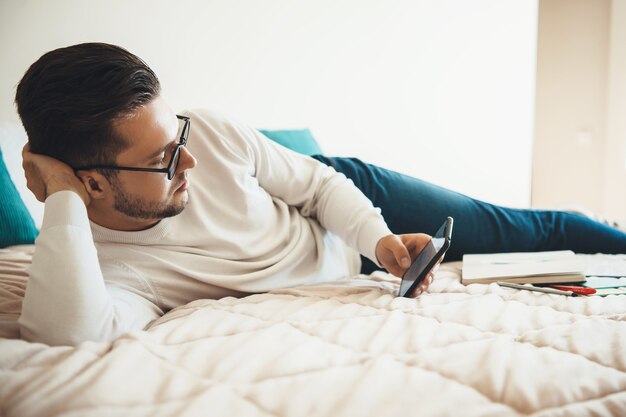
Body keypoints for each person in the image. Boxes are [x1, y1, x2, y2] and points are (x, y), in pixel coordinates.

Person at [14, 43, 626, 347]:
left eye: (180, 137)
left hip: (354, 205)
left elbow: (320, 185)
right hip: (342, 266)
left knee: (531, 229)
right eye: (162, 159)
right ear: (90, 180)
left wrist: (380, 240)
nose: (189, 160)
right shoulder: (104, 267)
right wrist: (61, 196)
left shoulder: (211, 133)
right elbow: (66, 335)